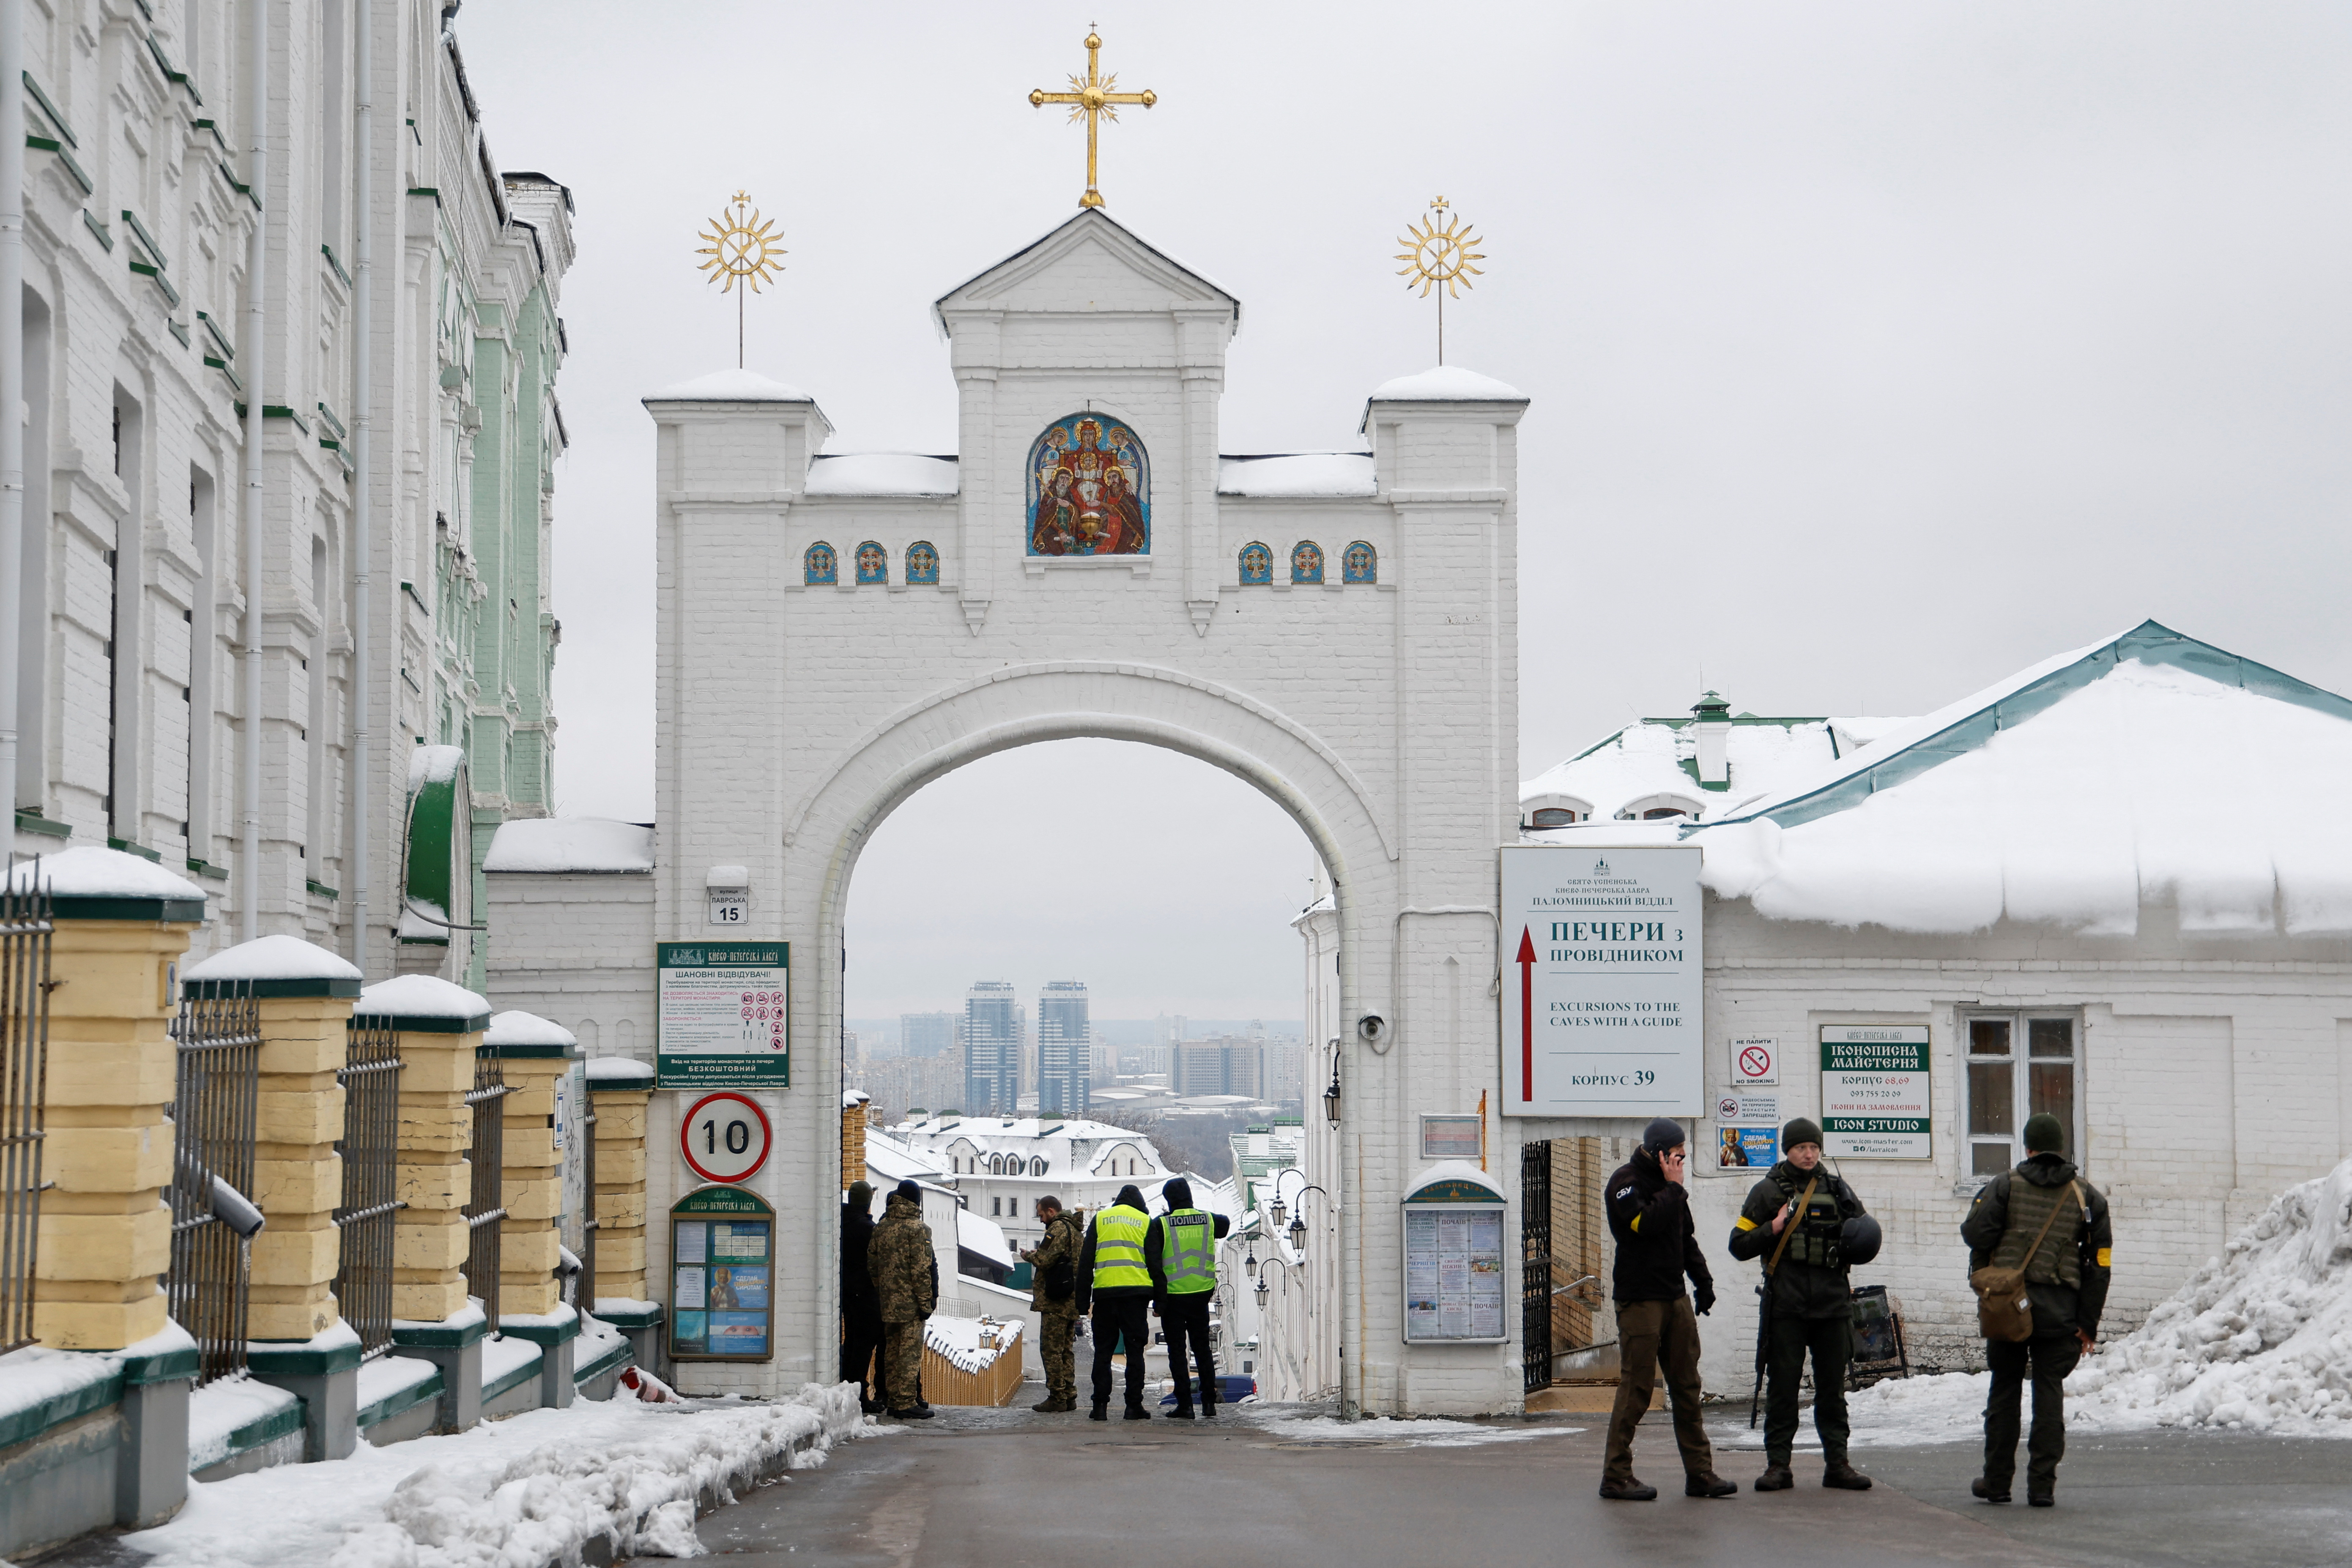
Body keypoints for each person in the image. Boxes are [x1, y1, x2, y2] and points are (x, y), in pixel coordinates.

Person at [1963, 1112, 2111, 1508]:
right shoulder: (2087, 1195)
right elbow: (2100, 1264)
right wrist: (2088, 1325)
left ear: (2026, 1147)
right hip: (2059, 1309)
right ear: (2060, 1147)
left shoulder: (2004, 1186)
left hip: (2008, 1306)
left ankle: (1996, 1482)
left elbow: (1975, 1234)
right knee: (2049, 1393)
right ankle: (2042, 1486)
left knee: (2004, 1391)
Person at [1728, 1118, 1873, 1492]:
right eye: (1800, 1148)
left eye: (1813, 1147)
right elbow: (1738, 1244)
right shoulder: (1767, 1191)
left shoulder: (1839, 1189)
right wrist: (1772, 1228)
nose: (1808, 1154)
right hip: (1787, 1307)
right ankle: (1778, 1465)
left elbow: (1862, 1234)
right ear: (1787, 1150)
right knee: (1783, 1389)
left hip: (1831, 1305)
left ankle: (1837, 1463)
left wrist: (1858, 1241)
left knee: (1831, 1390)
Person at [1600, 1118, 1737, 1502]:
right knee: (1637, 1388)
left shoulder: (1670, 1187)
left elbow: (1684, 1236)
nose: (1681, 1160)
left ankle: (1700, 1473)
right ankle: (1615, 1475)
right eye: (1677, 1154)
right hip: (1640, 1299)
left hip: (1674, 1298)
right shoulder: (1625, 1182)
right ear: (1659, 1152)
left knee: (1687, 1386)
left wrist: (1703, 1282)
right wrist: (1674, 1188)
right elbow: (1643, 1224)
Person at [1147, 1178, 1230, 1420]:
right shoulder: (1208, 1220)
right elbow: (1225, 1224)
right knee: (1202, 1349)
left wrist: (1159, 1301)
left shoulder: (1161, 1225)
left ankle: (1185, 1404)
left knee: (1177, 1353)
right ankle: (1209, 1402)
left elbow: (1153, 1264)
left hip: (1173, 1298)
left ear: (1169, 1201)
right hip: (1201, 1296)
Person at [1075, 1182, 1155, 1420]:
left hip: (1105, 1297)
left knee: (1103, 1353)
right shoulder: (1144, 1221)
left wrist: (1082, 1302)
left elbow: (1086, 1261)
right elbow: (1155, 1264)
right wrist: (1160, 1299)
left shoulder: (1100, 1219)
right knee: (1134, 1352)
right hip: (1135, 1299)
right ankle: (1133, 1407)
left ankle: (1099, 1407)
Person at [867, 1179, 939, 1420]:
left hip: (887, 1302)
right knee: (909, 1354)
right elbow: (921, 1270)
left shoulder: (882, 1227)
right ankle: (905, 1402)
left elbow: (873, 1265)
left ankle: (893, 1398)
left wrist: (885, 1291)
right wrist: (925, 1302)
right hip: (910, 1305)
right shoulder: (918, 1229)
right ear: (916, 1200)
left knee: (891, 1352)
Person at [1021, 1195, 1083, 1412]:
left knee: (1051, 1350)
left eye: (1041, 1215)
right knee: (1066, 1350)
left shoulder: (1056, 1229)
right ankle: (1070, 1395)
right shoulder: (1076, 1231)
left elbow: (1045, 1260)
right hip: (1072, 1299)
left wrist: (1029, 1255)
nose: (1041, 1220)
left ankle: (1057, 1397)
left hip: (1056, 1301)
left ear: (1051, 1211)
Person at [841, 1180, 887, 1414]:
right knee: (864, 1349)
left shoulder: (840, 1222)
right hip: (867, 1296)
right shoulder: (868, 1230)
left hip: (847, 1295)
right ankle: (860, 1396)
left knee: (851, 1344)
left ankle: (849, 1390)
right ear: (868, 1203)